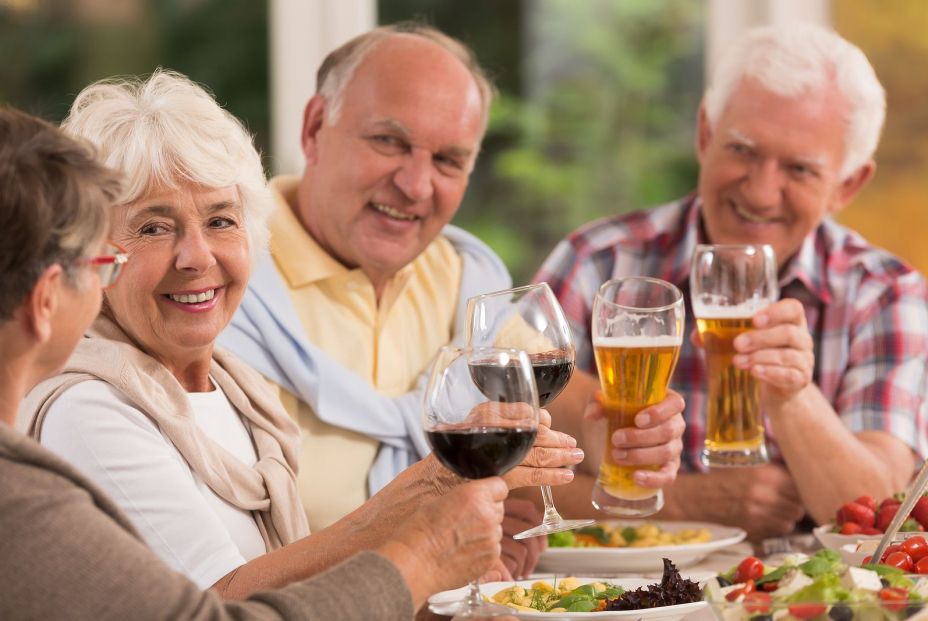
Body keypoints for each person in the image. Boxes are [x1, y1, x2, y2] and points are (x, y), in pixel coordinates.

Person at [17, 70, 576, 599]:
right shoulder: (90, 410)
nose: (196, 257)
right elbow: (224, 605)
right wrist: (425, 504)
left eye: (219, 220)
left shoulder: (240, 390)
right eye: (154, 228)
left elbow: (308, 588)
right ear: (98, 255)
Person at [218, 23, 687, 573]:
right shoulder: (222, 284)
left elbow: (559, 398)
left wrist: (618, 435)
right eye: (390, 142)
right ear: (316, 127)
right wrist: (429, 548)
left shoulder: (464, 271)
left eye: (448, 161)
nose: (416, 185)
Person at [536, 22, 928, 542]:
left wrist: (793, 399)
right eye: (743, 150)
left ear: (847, 184)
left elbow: (878, 517)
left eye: (800, 170)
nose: (762, 193)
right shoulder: (596, 260)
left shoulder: (885, 291)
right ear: (704, 135)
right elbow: (501, 478)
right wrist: (686, 504)